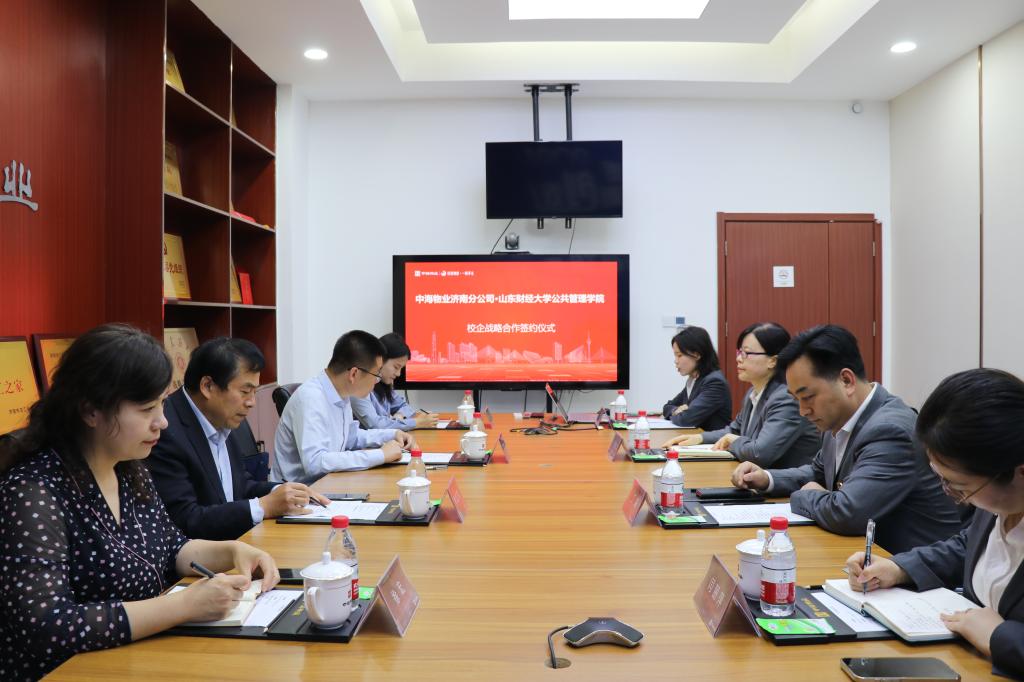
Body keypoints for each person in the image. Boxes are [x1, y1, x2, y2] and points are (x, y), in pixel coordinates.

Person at [0, 325, 278, 680]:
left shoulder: (130, 469)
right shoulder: (32, 491)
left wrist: (232, 552)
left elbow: (171, 547)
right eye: (147, 408)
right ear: (90, 411)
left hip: (138, 658)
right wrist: (182, 605)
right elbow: (49, 626)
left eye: (162, 403)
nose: (162, 421)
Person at [846, 369, 1024, 678]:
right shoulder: (998, 500)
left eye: (960, 487)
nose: (953, 495)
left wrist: (1000, 637)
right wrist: (899, 569)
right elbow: (969, 545)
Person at [730, 324, 961, 554]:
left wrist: (805, 496)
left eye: (807, 397)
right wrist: (767, 479)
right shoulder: (838, 418)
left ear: (847, 381)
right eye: (796, 399)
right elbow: (817, 473)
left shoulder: (890, 430)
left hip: (903, 564)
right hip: (862, 556)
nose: (802, 411)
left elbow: (847, 513)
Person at [146, 338, 329, 541]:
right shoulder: (166, 431)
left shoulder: (220, 416)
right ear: (207, 386)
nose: (251, 402)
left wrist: (284, 492)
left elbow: (239, 487)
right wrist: (263, 507)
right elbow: (185, 520)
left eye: (254, 392)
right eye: (245, 392)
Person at [662, 322, 818, 469]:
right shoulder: (754, 392)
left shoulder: (786, 398)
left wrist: (734, 441)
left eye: (747, 353)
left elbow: (759, 453)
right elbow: (734, 430)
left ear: (772, 361)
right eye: (739, 352)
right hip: (752, 475)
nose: (738, 359)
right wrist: (699, 438)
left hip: (785, 483)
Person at [273, 330, 418, 485]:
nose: (377, 382)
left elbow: (351, 438)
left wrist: (392, 434)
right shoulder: (311, 398)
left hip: (329, 482)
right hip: (302, 491)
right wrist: (381, 455)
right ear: (354, 374)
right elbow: (315, 463)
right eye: (376, 375)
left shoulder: (341, 394)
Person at [351, 332, 438, 431]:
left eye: (401, 368)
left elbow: (404, 406)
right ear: (380, 360)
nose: (398, 374)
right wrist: (417, 423)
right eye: (396, 367)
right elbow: (376, 425)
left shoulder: (384, 384)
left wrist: (399, 415)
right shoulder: (358, 385)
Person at [661, 325, 732, 430]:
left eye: (679, 355)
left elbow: (686, 419)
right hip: (693, 438)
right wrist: (675, 410)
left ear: (697, 355)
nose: (676, 361)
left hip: (711, 439)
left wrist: (679, 413)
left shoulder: (715, 382)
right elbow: (667, 407)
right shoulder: (693, 379)